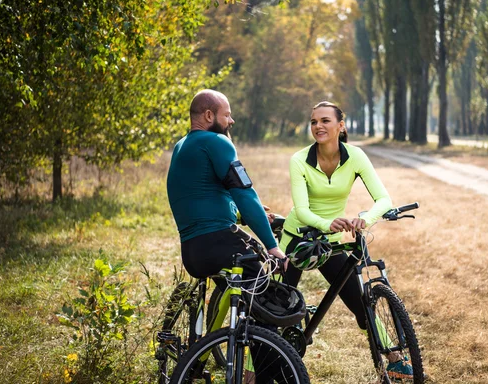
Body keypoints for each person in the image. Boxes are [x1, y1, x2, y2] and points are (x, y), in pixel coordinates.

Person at [280, 101, 413, 381]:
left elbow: (383, 199)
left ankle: (394, 358)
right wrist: (328, 223)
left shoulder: (355, 156)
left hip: (329, 242)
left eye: (325, 121)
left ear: (341, 126)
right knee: (277, 307)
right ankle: (252, 372)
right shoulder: (299, 160)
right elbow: (302, 210)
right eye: (314, 121)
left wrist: (366, 218)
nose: (318, 126)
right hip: (297, 238)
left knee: (360, 302)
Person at [166, 89, 289, 285]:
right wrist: (272, 247)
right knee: (269, 300)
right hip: (220, 246)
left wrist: (243, 215)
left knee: (238, 298)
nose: (231, 121)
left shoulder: (181, 146)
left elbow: (202, 197)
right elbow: (244, 192)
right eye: (227, 115)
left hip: (192, 252)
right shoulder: (216, 141)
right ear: (209, 115)